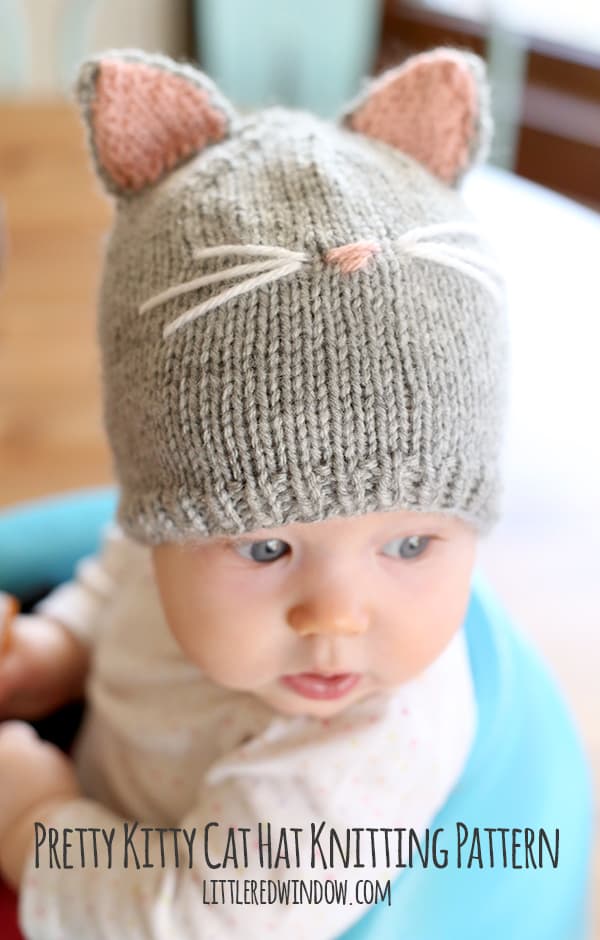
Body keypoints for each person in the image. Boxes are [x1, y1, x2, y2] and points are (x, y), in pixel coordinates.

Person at [0, 47, 591, 939]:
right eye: (268, 547)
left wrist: (34, 825)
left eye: (409, 545)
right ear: (167, 514)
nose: (336, 617)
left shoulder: (350, 764)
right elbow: (121, 570)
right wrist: (58, 648)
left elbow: (191, 921)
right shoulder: (164, 537)